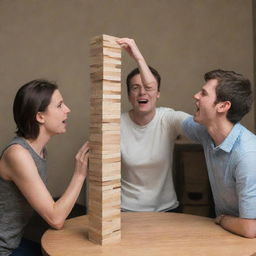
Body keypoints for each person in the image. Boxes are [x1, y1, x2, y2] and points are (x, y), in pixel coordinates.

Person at [0, 79, 89, 255]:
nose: (67, 110)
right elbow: (55, 219)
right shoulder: (18, 155)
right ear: (40, 116)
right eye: (60, 105)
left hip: (16, 241)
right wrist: (79, 174)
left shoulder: (39, 151)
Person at [117, 38, 189, 212]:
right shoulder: (116, 124)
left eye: (148, 87)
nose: (142, 92)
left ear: (158, 94)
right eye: (135, 87)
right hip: (126, 211)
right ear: (128, 95)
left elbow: (196, 125)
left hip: (166, 210)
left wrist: (139, 58)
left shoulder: (168, 119)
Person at [182, 69, 256, 238]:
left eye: (204, 93)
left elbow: (250, 228)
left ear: (223, 106)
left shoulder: (248, 155)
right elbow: (174, 119)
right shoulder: (205, 131)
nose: (196, 96)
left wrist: (221, 219)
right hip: (231, 234)